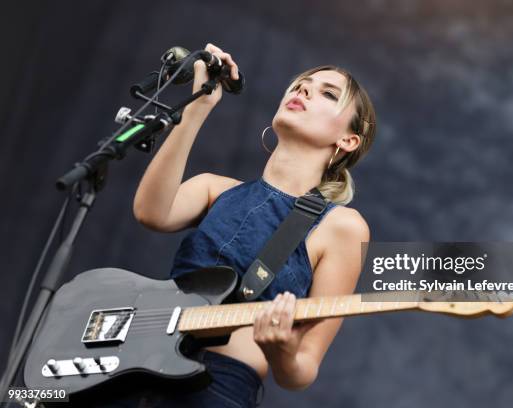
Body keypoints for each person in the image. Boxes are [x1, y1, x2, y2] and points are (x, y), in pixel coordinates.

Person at [128, 43, 376, 407]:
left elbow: (303, 369)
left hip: (217, 388)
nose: (303, 90)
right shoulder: (215, 189)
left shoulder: (343, 227)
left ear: (348, 140)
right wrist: (197, 109)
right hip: (138, 368)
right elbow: (151, 212)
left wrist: (283, 352)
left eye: (327, 93)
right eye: (301, 84)